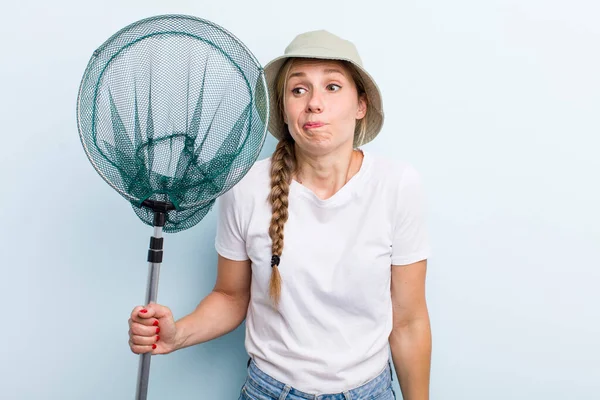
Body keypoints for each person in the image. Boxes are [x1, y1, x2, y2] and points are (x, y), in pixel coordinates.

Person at [128, 30, 432, 400]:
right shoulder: (245, 187)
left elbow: (409, 321)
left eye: (332, 87)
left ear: (360, 105)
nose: (314, 104)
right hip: (269, 391)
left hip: (369, 390)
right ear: (284, 109)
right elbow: (229, 295)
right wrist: (178, 334)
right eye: (298, 90)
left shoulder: (397, 185)